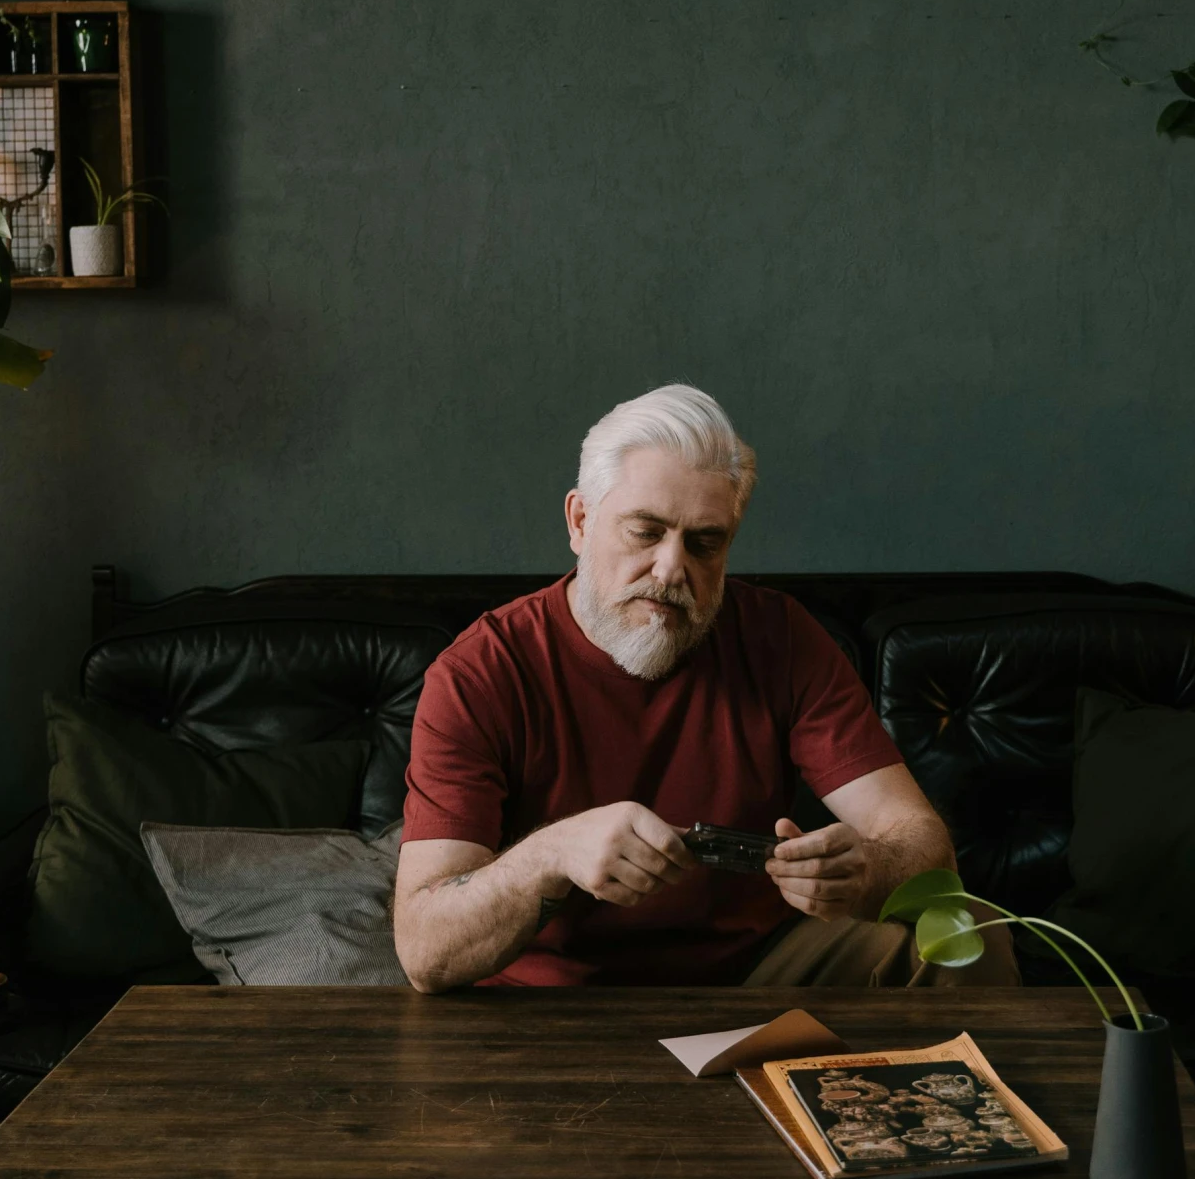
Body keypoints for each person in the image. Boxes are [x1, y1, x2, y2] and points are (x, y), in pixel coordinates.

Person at [393, 383, 1015, 991]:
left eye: (704, 543)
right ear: (580, 520)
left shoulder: (782, 638)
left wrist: (866, 871)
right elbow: (424, 951)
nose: (672, 570)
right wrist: (550, 854)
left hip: (757, 971)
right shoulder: (480, 673)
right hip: (555, 994)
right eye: (645, 532)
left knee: (977, 932)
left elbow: (925, 845)